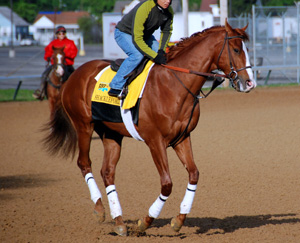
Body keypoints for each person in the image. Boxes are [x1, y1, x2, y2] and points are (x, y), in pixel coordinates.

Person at [108, 0, 173, 98]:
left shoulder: (169, 11)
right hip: (124, 33)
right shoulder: (145, 8)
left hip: (145, 36)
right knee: (137, 55)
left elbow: (166, 31)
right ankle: (116, 86)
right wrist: (155, 56)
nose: (167, 1)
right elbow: (137, 39)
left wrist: (161, 51)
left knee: (165, 56)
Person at [33, 25, 78, 100]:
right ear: (57, 34)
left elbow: (74, 52)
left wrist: (63, 55)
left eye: (63, 33)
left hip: (67, 65)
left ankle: (77, 93)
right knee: (44, 75)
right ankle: (41, 92)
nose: (61, 35)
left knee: (75, 78)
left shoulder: (70, 43)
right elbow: (48, 52)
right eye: (60, 33)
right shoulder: (53, 43)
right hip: (55, 65)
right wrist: (47, 57)